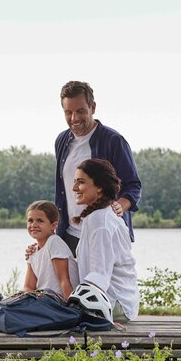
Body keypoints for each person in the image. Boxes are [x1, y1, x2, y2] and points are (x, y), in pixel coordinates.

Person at [54, 80, 142, 254]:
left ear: (92, 107)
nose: (74, 118)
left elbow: (133, 185)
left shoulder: (114, 141)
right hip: (69, 234)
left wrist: (119, 206)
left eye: (80, 111)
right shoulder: (61, 141)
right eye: (68, 112)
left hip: (104, 233)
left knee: (102, 281)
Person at [72, 158, 139, 321]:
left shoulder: (100, 221)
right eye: (75, 182)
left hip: (114, 304)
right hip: (114, 301)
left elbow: (99, 275)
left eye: (80, 182)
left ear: (100, 187)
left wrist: (72, 303)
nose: (74, 188)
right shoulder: (97, 216)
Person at [22, 200, 79, 300]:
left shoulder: (54, 243)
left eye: (40, 221)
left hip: (58, 301)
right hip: (43, 301)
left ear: (53, 225)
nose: (34, 225)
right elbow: (28, 287)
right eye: (30, 220)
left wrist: (72, 308)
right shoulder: (32, 251)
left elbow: (64, 281)